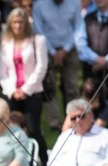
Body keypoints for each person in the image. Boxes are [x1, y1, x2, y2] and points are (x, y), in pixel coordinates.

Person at [0, 7, 48, 165]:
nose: (18, 26)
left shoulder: (37, 40)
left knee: (33, 129)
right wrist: (12, 91)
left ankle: (43, 162)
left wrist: (26, 89)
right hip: (12, 92)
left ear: (26, 24)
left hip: (33, 92)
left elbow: (41, 67)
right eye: (15, 23)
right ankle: (17, 161)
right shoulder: (6, 43)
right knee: (13, 129)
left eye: (20, 22)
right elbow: (2, 70)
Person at [74, 0, 108, 134]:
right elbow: (80, 43)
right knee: (90, 103)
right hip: (92, 70)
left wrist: (107, 60)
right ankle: (87, 134)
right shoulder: (86, 19)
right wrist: (96, 59)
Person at [32, 0, 81, 132]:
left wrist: (65, 50)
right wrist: (53, 52)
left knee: (71, 86)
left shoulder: (74, 3)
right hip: (47, 49)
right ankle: (55, 123)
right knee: (49, 88)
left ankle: (74, 116)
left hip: (69, 49)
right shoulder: (39, 5)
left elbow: (78, 28)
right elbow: (38, 29)